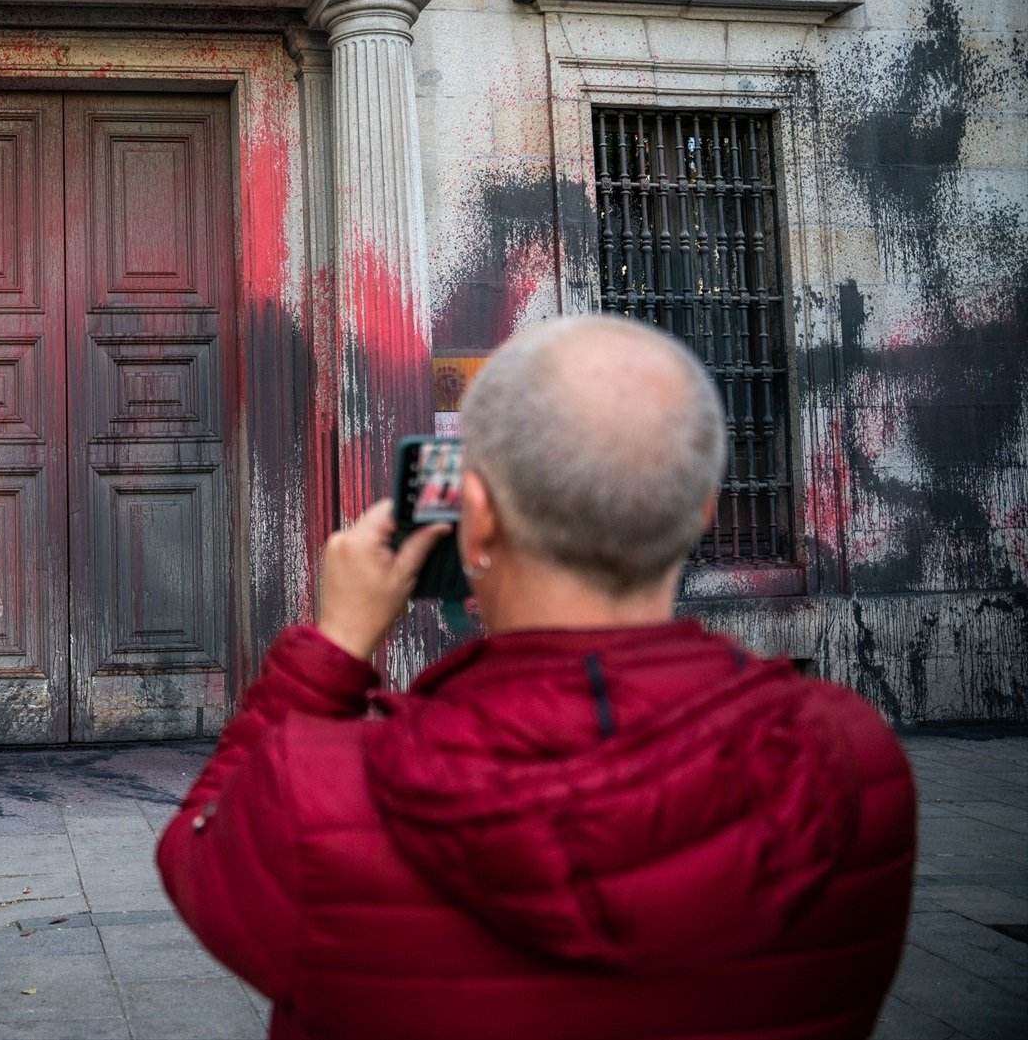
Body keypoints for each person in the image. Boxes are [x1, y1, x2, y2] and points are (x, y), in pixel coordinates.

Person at [157, 315, 916, 1040]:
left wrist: (336, 644)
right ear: (703, 509)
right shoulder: (855, 762)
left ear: (475, 517)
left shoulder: (318, 795)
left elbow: (199, 852)